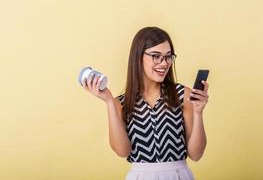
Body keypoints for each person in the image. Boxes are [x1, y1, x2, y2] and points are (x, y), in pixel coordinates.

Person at [83, 27, 209, 180]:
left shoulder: (183, 95)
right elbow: (122, 151)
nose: (164, 63)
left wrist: (198, 113)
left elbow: (196, 155)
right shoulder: (121, 103)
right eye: (156, 56)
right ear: (138, 57)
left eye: (168, 57)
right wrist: (109, 102)